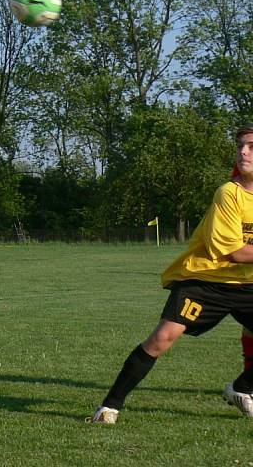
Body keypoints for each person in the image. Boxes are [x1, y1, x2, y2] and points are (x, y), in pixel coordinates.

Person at [92, 123, 253, 424]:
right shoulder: (229, 194)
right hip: (207, 280)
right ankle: (110, 406)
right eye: (240, 145)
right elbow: (236, 253)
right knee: (162, 338)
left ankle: (242, 389)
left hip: (248, 283)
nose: (243, 151)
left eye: (251, 146)